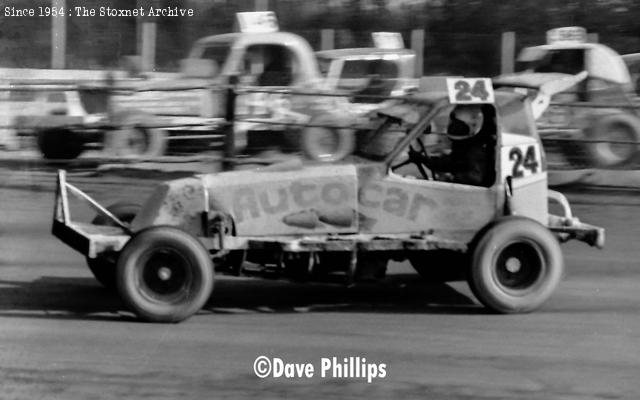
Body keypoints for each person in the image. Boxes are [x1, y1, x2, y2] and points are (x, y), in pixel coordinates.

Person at [410, 104, 496, 187]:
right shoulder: (466, 145)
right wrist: (426, 159)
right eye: (454, 125)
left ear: (473, 126)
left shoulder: (475, 150)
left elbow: (454, 164)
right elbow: (452, 162)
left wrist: (426, 160)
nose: (455, 129)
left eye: (459, 127)